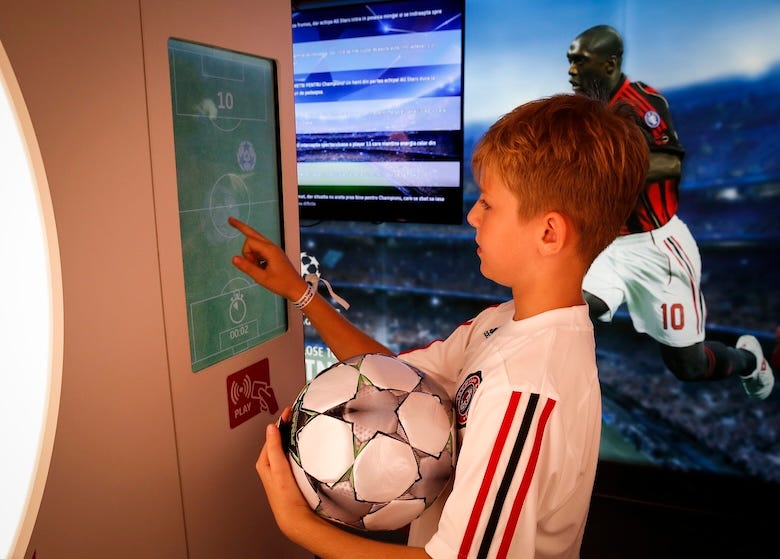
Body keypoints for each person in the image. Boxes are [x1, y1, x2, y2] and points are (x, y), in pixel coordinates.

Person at [229, 93, 649, 558]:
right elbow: (391, 378)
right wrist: (300, 292)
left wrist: (295, 522)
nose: (472, 215)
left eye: (488, 203)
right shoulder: (504, 322)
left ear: (548, 233)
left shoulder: (526, 388)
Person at [566, 24, 774, 399]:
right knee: (568, 306)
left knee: (688, 365)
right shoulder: (586, 109)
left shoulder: (640, 104)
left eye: (580, 61)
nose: (571, 70)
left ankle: (749, 361)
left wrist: (607, 170)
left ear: (609, 64)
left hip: (657, 249)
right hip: (607, 245)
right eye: (570, 61)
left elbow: (669, 162)